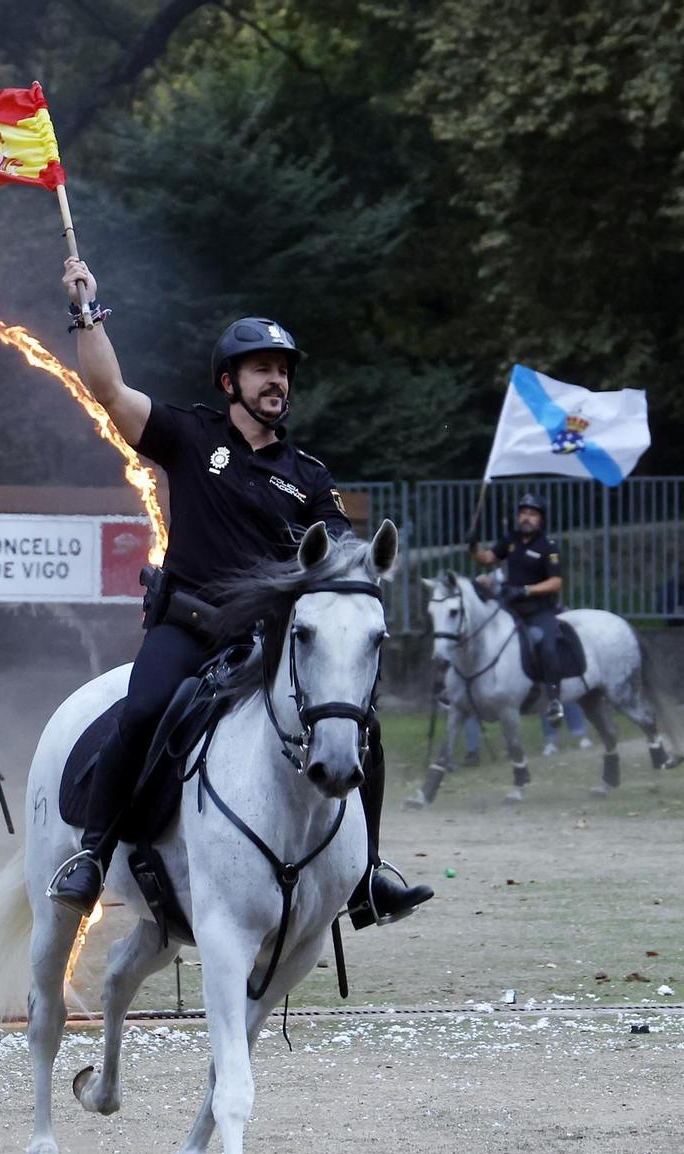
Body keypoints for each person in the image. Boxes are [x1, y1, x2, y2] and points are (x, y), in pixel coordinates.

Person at [47, 255, 433, 929]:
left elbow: (339, 551)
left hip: (271, 646)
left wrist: (364, 566)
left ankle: (368, 875)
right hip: (189, 628)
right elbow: (108, 389)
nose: (277, 379)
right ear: (230, 381)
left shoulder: (309, 475)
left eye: (283, 370)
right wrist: (86, 310)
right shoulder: (192, 435)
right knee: (140, 715)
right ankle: (90, 854)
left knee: (359, 726)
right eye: (262, 368)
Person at [471, 493, 567, 723]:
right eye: (524, 512)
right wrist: (473, 546)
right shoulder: (511, 539)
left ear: (541, 519)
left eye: (532, 514)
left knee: (547, 645)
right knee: (480, 635)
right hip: (510, 609)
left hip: (539, 610)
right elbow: (487, 558)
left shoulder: (548, 546)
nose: (527, 517)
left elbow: (556, 582)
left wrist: (526, 590)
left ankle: (554, 699)